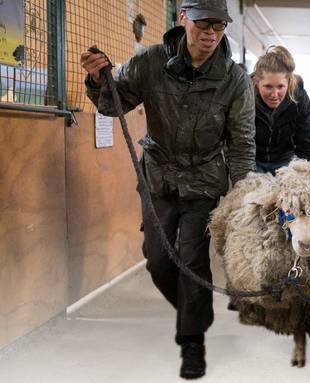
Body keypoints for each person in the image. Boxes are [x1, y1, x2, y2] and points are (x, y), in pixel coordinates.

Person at [80, 0, 255, 379]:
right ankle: (197, 310)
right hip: (157, 177)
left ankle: (192, 340)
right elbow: (113, 104)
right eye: (202, 24)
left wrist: (244, 197)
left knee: (191, 259)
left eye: (218, 27)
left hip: (205, 179)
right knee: (158, 259)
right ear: (182, 19)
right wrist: (98, 79)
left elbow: (242, 143)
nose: (210, 34)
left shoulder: (234, 79)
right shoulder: (149, 62)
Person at [252, 45, 310, 174]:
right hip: (251, 161)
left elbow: (306, 144)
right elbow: (236, 140)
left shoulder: (300, 99)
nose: (274, 94)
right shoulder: (244, 97)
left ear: (289, 82)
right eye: (268, 86)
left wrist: (303, 174)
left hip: (284, 163)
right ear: (256, 81)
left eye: (280, 86)